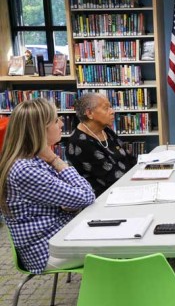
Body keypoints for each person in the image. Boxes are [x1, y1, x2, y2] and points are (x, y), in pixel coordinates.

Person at [0, 98, 95, 274]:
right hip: (47, 252)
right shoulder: (26, 169)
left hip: (61, 236)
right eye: (56, 120)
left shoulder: (34, 159)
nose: (61, 124)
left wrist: (71, 204)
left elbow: (76, 196)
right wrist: (56, 160)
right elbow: (86, 196)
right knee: (121, 247)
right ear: (40, 129)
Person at [66, 93, 137, 197]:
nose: (112, 111)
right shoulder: (80, 142)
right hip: (105, 196)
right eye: (106, 108)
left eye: (110, 107)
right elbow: (110, 179)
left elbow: (130, 159)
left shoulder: (105, 130)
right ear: (89, 113)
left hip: (125, 187)